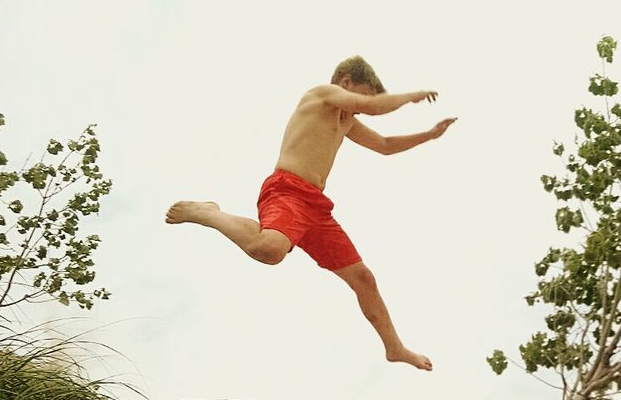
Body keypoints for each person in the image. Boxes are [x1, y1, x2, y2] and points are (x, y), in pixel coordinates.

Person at [166, 56, 455, 371]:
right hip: (287, 190)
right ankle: (208, 212)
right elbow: (371, 106)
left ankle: (395, 348)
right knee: (269, 250)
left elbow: (384, 144)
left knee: (363, 279)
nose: (359, 108)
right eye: (361, 97)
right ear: (345, 82)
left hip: (316, 206)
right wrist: (410, 96)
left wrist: (428, 135)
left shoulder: (347, 120)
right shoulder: (321, 95)